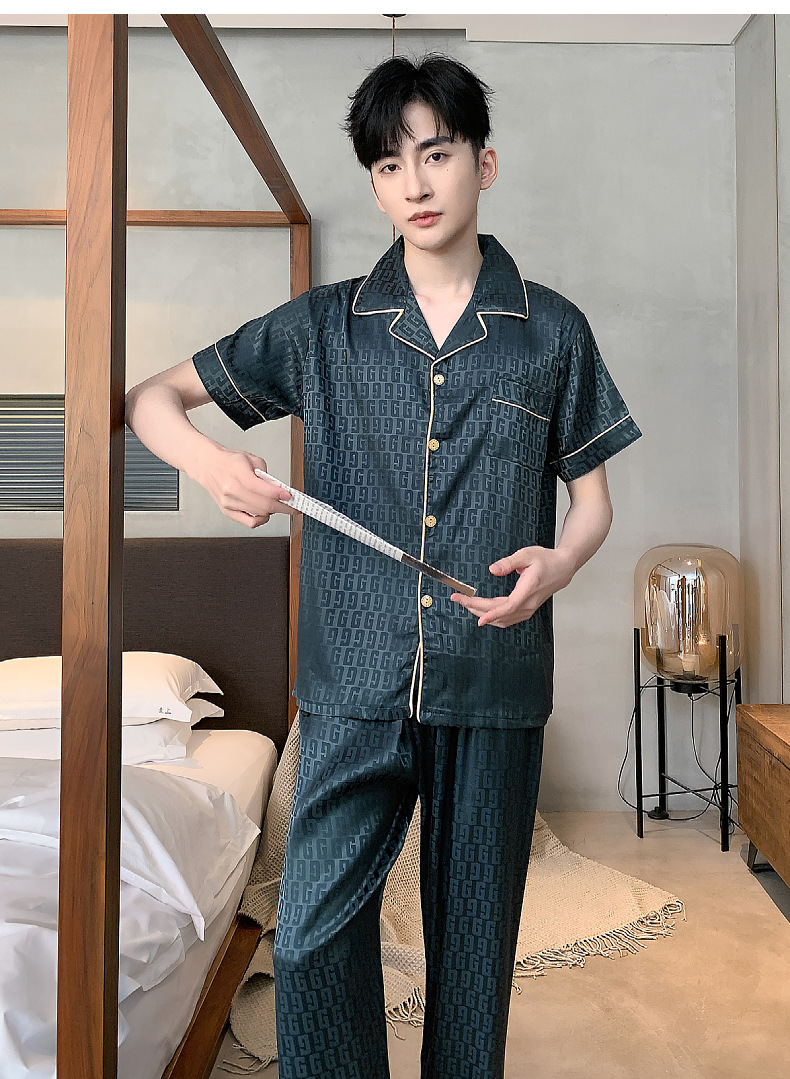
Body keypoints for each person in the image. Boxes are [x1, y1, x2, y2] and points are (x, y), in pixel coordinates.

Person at [125, 52, 641, 1079]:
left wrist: (561, 562)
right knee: (312, 938)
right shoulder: (321, 327)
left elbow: (592, 501)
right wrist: (214, 464)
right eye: (389, 165)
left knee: (472, 958)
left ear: (484, 164)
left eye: (436, 155)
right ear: (373, 184)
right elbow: (151, 398)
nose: (414, 183)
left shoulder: (552, 330)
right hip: (351, 683)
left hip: (492, 680)